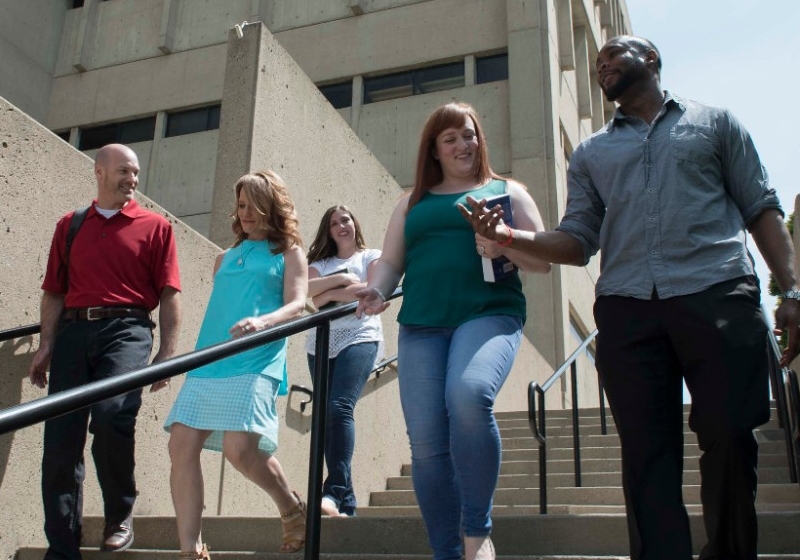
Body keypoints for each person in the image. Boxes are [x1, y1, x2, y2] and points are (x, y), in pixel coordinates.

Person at [459, 36, 800, 560]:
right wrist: (510, 236)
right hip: (628, 307)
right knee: (646, 453)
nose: (602, 65)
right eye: (597, 63)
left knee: (731, 432)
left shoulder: (715, 123)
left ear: (652, 60)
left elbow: (761, 206)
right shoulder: (592, 152)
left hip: (718, 291)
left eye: (613, 55)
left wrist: (791, 291)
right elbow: (577, 239)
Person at [355, 102, 551, 560]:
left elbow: (543, 261)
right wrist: (377, 291)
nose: (463, 144)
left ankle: (476, 532)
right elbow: (391, 261)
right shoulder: (412, 203)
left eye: (469, 134)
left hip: (489, 315)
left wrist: (503, 243)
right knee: (426, 443)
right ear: (434, 150)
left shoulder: (508, 192)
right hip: (421, 325)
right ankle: (446, 552)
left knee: (468, 394)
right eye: (451, 139)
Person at [27, 143, 182, 559]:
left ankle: (119, 516)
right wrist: (46, 344)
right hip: (73, 332)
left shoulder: (156, 227)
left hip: (127, 330)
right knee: (61, 441)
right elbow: (54, 291)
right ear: (99, 171)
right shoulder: (71, 224)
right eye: (124, 171)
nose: (132, 179)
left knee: (113, 417)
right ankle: (62, 547)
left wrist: (166, 354)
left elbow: (170, 295)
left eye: (136, 172)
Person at [163, 170, 308, 559]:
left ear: (270, 208)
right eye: (241, 205)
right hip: (210, 360)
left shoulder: (289, 253)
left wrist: (263, 322)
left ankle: (291, 508)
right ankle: (191, 551)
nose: (244, 213)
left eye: (252, 206)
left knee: (241, 450)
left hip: (257, 356)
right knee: (180, 446)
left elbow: (298, 303)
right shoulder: (223, 258)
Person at [305, 205, 384, 517]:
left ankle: (334, 491)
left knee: (340, 407)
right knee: (326, 415)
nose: (341, 226)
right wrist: (344, 281)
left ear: (355, 223)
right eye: (334, 223)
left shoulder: (370, 256)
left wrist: (328, 292)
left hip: (360, 334)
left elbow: (373, 289)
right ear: (328, 231)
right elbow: (306, 292)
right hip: (320, 342)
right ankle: (347, 502)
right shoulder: (320, 263)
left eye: (345, 220)